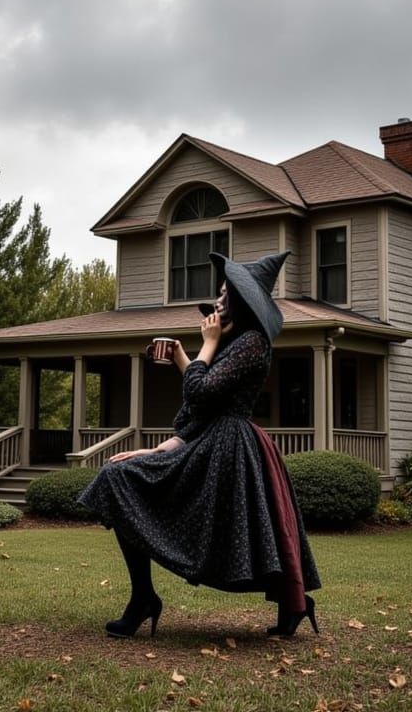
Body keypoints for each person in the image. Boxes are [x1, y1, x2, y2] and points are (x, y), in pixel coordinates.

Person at [78, 251, 321, 639]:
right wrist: (158, 448)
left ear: (243, 302)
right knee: (118, 476)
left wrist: (201, 349)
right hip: (209, 441)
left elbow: (201, 391)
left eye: (227, 295)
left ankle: (294, 603)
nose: (219, 300)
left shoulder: (253, 343)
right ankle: (143, 598)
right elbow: (197, 407)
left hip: (232, 449)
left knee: (237, 544)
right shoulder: (231, 343)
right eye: (221, 293)